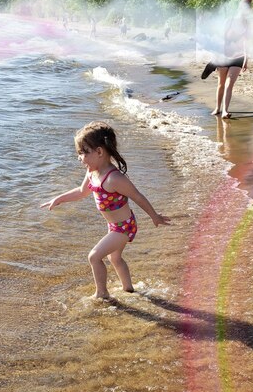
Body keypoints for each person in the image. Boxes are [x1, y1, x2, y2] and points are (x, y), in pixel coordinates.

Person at [40, 122, 171, 299]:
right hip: (113, 226)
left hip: (124, 227)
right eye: (79, 153)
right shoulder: (92, 172)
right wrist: (59, 199)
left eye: (83, 152)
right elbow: (81, 192)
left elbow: (137, 196)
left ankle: (101, 294)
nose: (80, 157)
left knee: (94, 257)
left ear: (100, 152)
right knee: (114, 258)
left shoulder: (113, 178)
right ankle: (129, 289)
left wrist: (154, 216)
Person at [206, 0, 253, 119]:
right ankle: (217, 108)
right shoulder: (229, 20)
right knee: (221, 84)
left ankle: (225, 111)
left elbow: (246, 42)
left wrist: (246, 59)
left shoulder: (247, 24)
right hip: (224, 55)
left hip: (238, 57)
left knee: (229, 83)